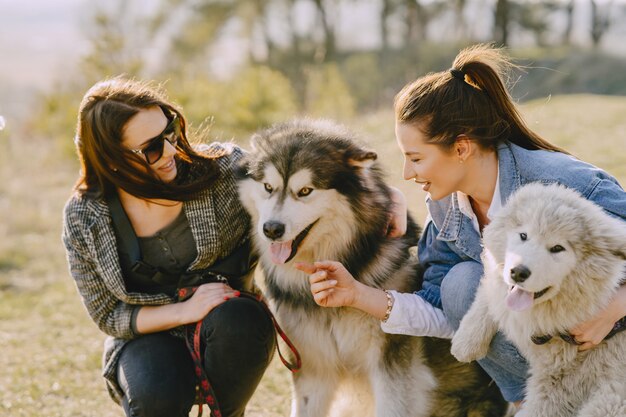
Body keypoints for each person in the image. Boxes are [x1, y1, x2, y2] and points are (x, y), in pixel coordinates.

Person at [295, 44, 626, 410]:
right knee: (461, 285)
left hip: (615, 356)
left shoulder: (565, 185)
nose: (408, 174)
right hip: (551, 362)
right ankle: (525, 401)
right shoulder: (445, 207)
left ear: (463, 148)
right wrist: (357, 294)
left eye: (416, 158)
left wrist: (618, 306)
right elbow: (440, 307)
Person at [62, 77, 277, 417]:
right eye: (151, 148)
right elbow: (107, 314)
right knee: (154, 397)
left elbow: (292, 188)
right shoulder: (85, 217)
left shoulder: (224, 172)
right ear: (112, 159)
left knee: (240, 322)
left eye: (170, 130)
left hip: (230, 323)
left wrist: (386, 208)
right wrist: (183, 312)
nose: (171, 151)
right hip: (145, 338)